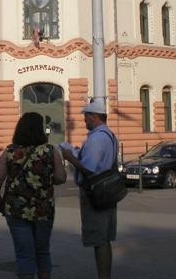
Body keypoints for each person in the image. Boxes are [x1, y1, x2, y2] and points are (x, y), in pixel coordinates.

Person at [0, 112, 67, 279]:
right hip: (43, 209)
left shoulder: (10, 151)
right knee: (42, 252)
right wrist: (46, 180)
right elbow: (61, 178)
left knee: (24, 254)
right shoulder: (50, 151)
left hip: (16, 209)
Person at [59, 98, 118, 279]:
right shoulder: (109, 135)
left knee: (99, 240)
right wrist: (80, 153)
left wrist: (69, 157)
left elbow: (89, 168)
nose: (84, 120)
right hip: (108, 192)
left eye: (86, 116)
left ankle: (103, 276)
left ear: (94, 116)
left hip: (95, 194)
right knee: (104, 239)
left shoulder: (96, 138)